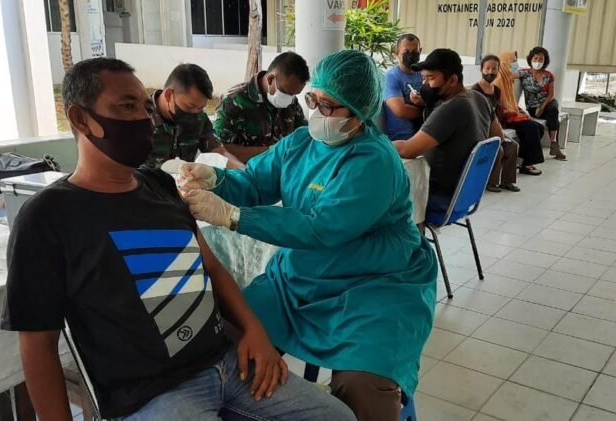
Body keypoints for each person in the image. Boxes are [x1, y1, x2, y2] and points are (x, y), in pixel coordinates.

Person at [0, 57, 355, 421]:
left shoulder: (159, 185)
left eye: (144, 107)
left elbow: (212, 269)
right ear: (81, 119)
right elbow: (38, 343)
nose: (145, 119)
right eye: (126, 106)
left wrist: (254, 332)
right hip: (150, 393)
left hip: (225, 363)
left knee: (338, 418)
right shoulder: (49, 217)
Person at [179, 50, 437, 421]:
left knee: (362, 385)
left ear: (359, 112)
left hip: (373, 285)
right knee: (226, 339)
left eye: (328, 106)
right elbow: (255, 183)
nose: (316, 112)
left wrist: (234, 217)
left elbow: (321, 228)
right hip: (300, 276)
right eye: (313, 100)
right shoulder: (300, 142)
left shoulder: (374, 162)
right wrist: (217, 180)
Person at [393, 48, 505, 212]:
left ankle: (416, 230)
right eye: (424, 79)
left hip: (437, 196)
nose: (425, 85)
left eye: (431, 78)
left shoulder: (453, 107)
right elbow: (498, 137)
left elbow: (408, 150)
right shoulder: (479, 98)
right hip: (465, 196)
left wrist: (378, 143)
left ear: (452, 80)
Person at [214, 52, 310, 163]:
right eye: (286, 92)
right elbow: (221, 150)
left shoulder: (291, 102)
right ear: (270, 79)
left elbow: (304, 136)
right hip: (245, 171)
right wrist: (273, 151)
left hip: (284, 170)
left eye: (293, 94)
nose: (289, 99)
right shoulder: (233, 101)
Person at [146, 63, 244, 169]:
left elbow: (218, 152)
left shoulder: (199, 117)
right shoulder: (141, 118)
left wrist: (244, 171)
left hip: (186, 178)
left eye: (200, 108)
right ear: (168, 95)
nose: (195, 113)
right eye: (190, 106)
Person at [471, 54, 521, 192]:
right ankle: (491, 182)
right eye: (487, 68)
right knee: (497, 149)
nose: (490, 72)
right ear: (481, 69)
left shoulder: (496, 91)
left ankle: (507, 181)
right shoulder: (475, 91)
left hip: (493, 128)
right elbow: (477, 117)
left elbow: (496, 113)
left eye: (494, 69)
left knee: (513, 146)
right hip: (480, 130)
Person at [494, 51, 546, 175]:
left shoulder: (507, 79)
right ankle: (527, 164)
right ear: (505, 62)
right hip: (503, 118)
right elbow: (501, 107)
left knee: (539, 127)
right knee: (531, 127)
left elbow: (511, 102)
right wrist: (517, 114)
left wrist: (521, 111)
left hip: (512, 115)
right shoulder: (498, 81)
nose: (515, 64)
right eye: (513, 61)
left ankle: (522, 159)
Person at [518, 46, 567, 160]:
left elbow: (551, 94)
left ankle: (553, 143)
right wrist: (513, 61)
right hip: (532, 107)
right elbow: (510, 74)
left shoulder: (549, 75)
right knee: (554, 118)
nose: (538, 62)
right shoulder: (524, 73)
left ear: (545, 61)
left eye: (541, 59)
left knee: (553, 110)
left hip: (547, 104)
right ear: (530, 59)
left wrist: (542, 107)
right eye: (535, 58)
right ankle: (555, 146)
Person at [383, 33, 424, 141]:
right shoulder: (392, 76)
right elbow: (400, 110)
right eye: (406, 52)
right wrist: (428, 111)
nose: (411, 56)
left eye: (415, 52)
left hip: (422, 134)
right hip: (402, 137)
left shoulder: (423, 74)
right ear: (397, 53)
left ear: (420, 51)